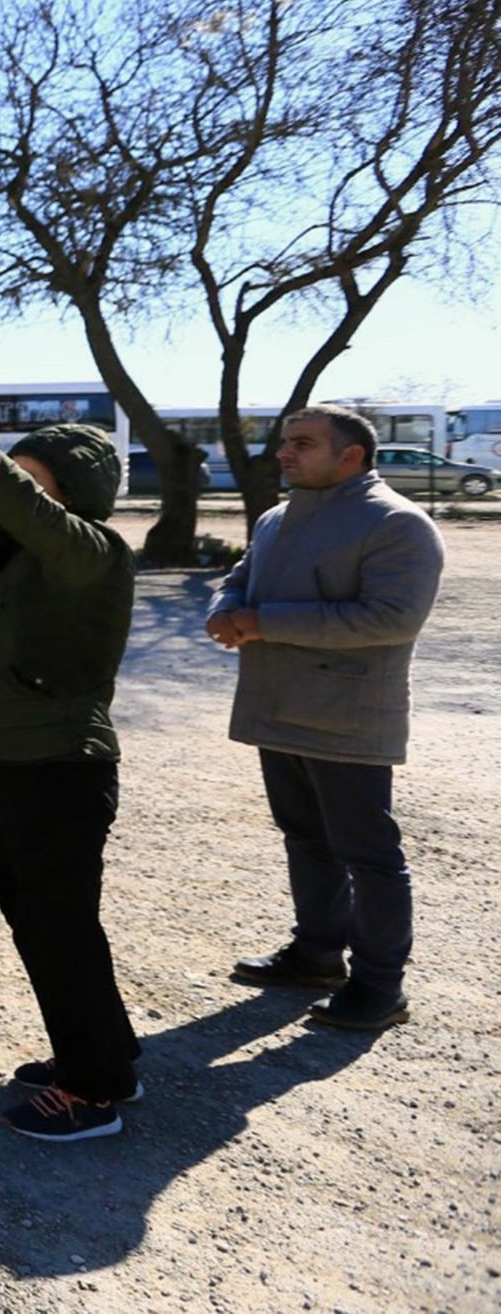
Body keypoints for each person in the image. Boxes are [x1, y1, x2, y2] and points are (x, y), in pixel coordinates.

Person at [0, 378, 140, 1141]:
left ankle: (91, 1090)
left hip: (61, 772)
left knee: (58, 927)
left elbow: (33, 517)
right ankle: (106, 1055)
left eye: (29, 483)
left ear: (69, 497)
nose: (7, 497)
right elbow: (0, 674)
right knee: (45, 922)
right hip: (16, 762)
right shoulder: (21, 568)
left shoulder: (93, 553)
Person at [209, 406, 445, 1033]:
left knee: (369, 855)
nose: (284, 453)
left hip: (348, 717)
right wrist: (226, 608)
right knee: (305, 837)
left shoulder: (397, 523)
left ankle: (380, 986)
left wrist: (263, 622)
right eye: (285, 442)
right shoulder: (276, 518)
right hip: (276, 707)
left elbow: (391, 617)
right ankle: (316, 954)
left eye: (303, 444)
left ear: (352, 456)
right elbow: (238, 578)